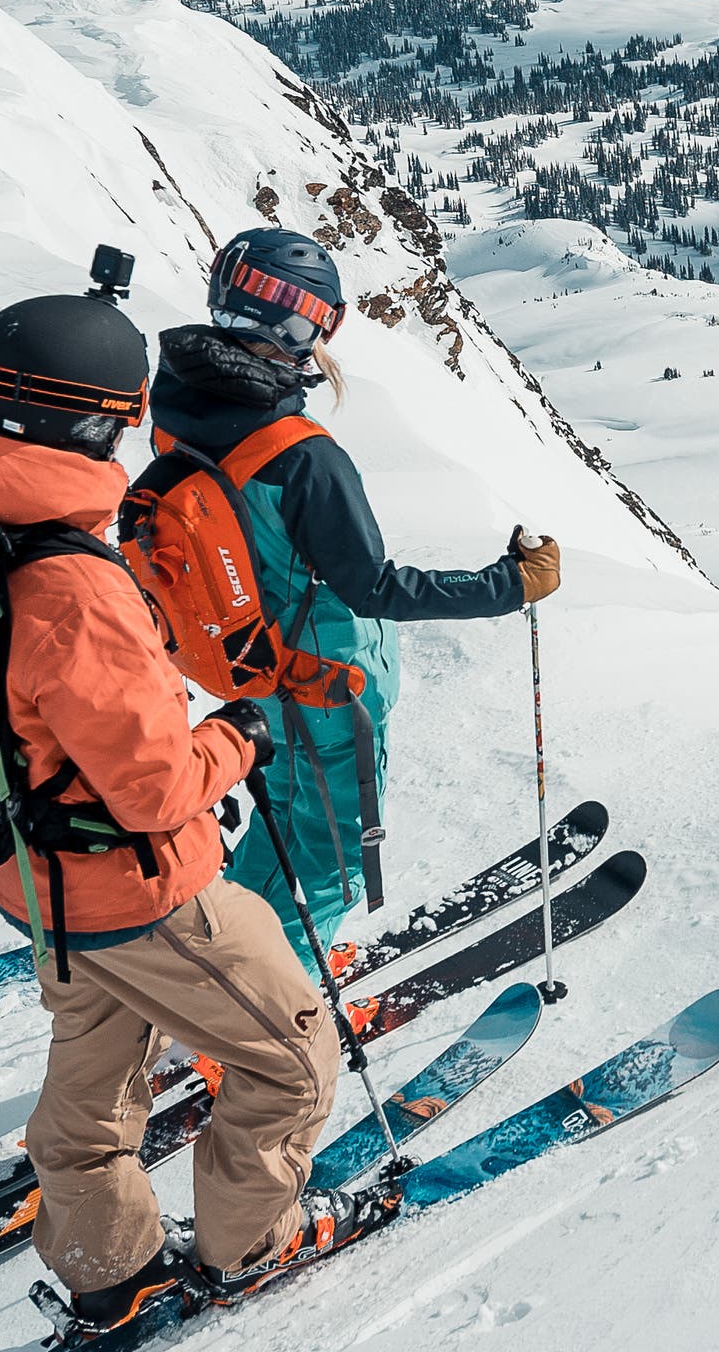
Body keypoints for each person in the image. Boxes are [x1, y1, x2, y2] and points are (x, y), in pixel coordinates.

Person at [0, 277, 358, 1328]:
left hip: (35, 880)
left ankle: (108, 1269)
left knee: (93, 1088)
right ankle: (248, 1246)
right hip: (143, 890)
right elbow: (157, 786)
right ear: (102, 420)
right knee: (296, 1061)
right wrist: (238, 733)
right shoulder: (72, 581)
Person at [145, 228, 559, 955]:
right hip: (329, 685)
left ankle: (219, 965)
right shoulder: (299, 454)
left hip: (252, 669)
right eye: (317, 319)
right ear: (296, 323)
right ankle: (270, 1013)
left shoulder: (178, 408)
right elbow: (373, 586)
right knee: (331, 863)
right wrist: (509, 585)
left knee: (279, 824)